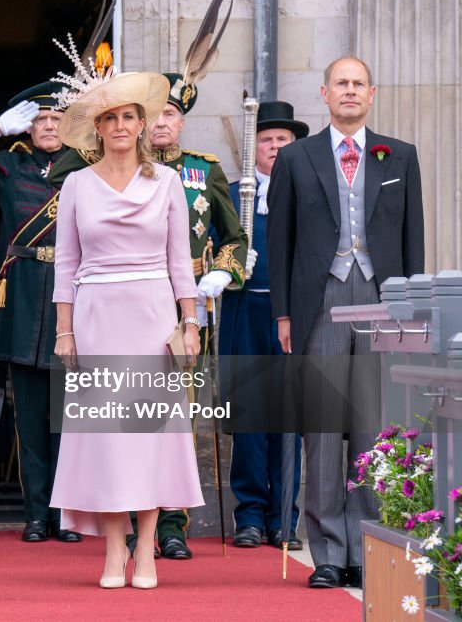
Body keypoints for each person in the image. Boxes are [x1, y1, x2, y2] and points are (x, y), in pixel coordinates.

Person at [268, 56, 425, 588]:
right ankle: (329, 553)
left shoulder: (400, 155)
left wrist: (410, 309)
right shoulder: (296, 158)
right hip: (322, 300)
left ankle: (366, 548)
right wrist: (284, 312)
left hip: (381, 300)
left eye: (359, 84)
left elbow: (412, 240)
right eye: (342, 83)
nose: (351, 91)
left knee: (371, 432)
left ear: (372, 93)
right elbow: (280, 239)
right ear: (325, 93)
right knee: (321, 429)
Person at [50, 69, 204, 590]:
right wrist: (64, 332)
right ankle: (114, 550)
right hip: (95, 318)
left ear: (142, 124)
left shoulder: (167, 184)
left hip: (152, 315)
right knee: (108, 439)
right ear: (98, 127)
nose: (120, 125)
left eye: (129, 117)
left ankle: (148, 552)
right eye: (110, 117)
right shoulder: (74, 184)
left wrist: (189, 323)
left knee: (148, 438)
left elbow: (181, 262)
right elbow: (65, 265)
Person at [0, 82, 82, 544]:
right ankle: (35, 514)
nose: (49, 126)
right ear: (25, 128)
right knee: (30, 419)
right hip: (24, 297)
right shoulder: (5, 166)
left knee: (68, 421)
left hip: (74, 297)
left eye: (57, 119)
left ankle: (66, 514)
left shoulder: (88, 166)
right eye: (40, 120)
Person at [133, 71, 250, 560]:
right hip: (134, 304)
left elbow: (234, 237)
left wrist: (222, 273)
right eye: (154, 114)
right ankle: (130, 517)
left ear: (181, 124)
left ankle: (172, 526)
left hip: (186, 312)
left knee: (175, 421)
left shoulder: (204, 169)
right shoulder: (119, 168)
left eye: (171, 114)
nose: (162, 123)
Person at [220, 101, 308, 550]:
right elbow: (211, 246)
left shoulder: (308, 195)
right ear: (254, 147)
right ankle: (250, 515)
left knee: (287, 420)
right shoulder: (234, 194)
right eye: (267, 139)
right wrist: (228, 263)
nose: (275, 146)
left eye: (283, 140)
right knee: (250, 416)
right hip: (244, 313)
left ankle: (283, 518)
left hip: (291, 315)